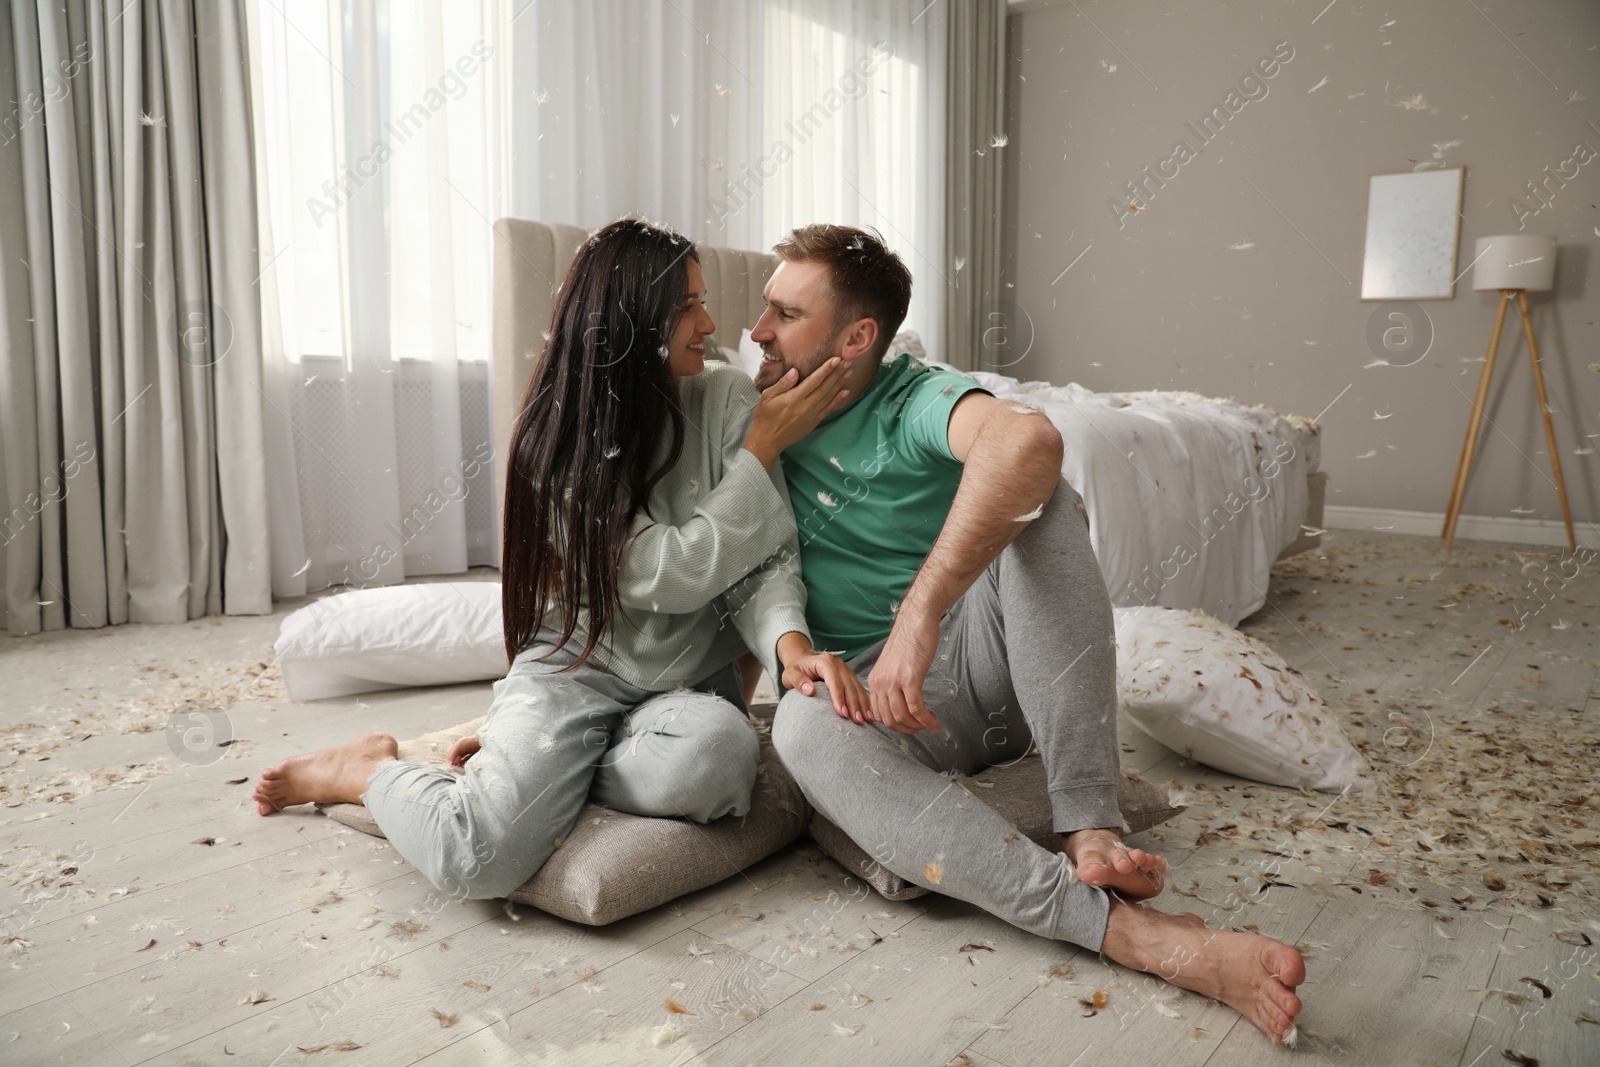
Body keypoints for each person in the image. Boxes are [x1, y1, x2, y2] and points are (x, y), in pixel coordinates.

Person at [758, 224, 1307, 1045]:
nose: (756, 330)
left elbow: (1030, 438)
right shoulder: (749, 412)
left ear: (857, 337)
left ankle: (1088, 820)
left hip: (984, 672)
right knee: (798, 726)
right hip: (874, 710)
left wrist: (922, 611)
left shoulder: (912, 397)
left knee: (1041, 496)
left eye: (783, 312)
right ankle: (1131, 933)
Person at [253, 218, 868, 902]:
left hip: (686, 688)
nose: (712, 320)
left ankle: (550, 768)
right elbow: (663, 573)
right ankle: (367, 770)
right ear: (634, 321)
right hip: (577, 671)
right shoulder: (558, 446)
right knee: (478, 858)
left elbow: (764, 556)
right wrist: (757, 454)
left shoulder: (725, 398)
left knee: (723, 762)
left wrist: (790, 644)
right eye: (687, 305)